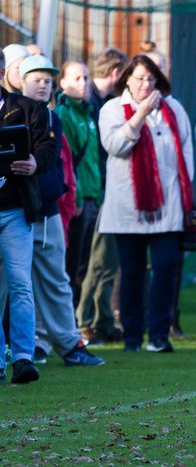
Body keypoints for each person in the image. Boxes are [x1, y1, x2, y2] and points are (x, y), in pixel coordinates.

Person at [10, 55, 105, 369]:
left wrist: (65, 200)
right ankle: (29, 346)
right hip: (13, 208)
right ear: (18, 79)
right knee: (12, 283)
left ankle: (67, 343)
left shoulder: (51, 118)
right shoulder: (10, 112)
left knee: (55, 279)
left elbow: (57, 165)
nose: (43, 85)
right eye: (36, 79)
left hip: (46, 211)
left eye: (48, 80)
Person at [97, 54, 195, 353]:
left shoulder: (173, 108)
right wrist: (139, 115)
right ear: (126, 78)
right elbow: (115, 146)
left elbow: (187, 153)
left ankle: (159, 335)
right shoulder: (112, 109)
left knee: (166, 267)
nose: (145, 84)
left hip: (169, 206)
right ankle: (132, 338)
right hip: (129, 208)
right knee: (133, 272)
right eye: (139, 78)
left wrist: (186, 194)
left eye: (150, 79)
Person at [0, 49, 57, 384]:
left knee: (21, 283)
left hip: (14, 210)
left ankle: (23, 357)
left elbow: (48, 151)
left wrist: (35, 162)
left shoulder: (28, 109)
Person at [77, 47, 129, 344]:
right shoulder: (90, 105)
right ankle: (85, 322)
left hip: (107, 190)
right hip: (95, 193)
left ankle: (103, 320)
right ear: (117, 73)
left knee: (109, 259)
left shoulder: (104, 102)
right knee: (96, 260)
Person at [56, 60, 101, 304]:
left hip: (93, 196)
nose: (83, 83)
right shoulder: (64, 113)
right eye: (76, 78)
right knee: (71, 265)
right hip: (79, 201)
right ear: (62, 83)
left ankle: (76, 324)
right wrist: (78, 198)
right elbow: (68, 162)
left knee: (84, 264)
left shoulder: (88, 112)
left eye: (85, 77)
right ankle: (68, 326)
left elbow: (93, 160)